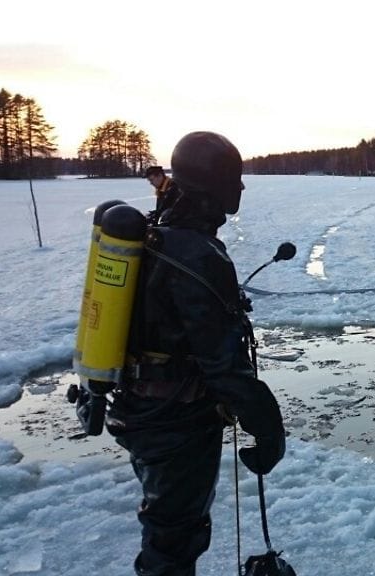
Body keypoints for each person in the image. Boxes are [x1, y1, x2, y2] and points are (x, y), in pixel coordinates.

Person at [107, 132, 286, 576]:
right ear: (214, 186)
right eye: (234, 179)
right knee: (172, 542)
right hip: (175, 424)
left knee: (169, 531)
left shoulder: (157, 235)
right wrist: (268, 428)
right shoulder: (197, 254)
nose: (240, 188)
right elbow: (223, 364)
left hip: (142, 412)